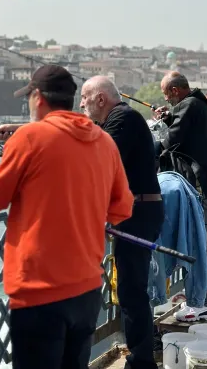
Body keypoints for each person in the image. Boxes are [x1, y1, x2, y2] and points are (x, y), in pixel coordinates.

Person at [0, 65, 134, 369]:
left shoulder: (30, 138)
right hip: (87, 290)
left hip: (39, 293)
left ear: (37, 98)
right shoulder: (104, 142)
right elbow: (121, 209)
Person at [80, 76, 163, 369]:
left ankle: (142, 360)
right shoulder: (118, 120)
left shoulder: (123, 118)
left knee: (132, 289)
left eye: (85, 99)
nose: (81, 105)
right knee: (132, 287)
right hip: (135, 212)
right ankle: (144, 346)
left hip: (139, 213)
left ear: (100, 99)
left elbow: (96, 160)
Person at [155, 72, 207, 319]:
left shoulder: (188, 105)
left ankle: (205, 300)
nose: (166, 98)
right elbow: (188, 136)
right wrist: (168, 119)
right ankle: (204, 295)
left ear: (175, 90)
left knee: (203, 242)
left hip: (203, 183)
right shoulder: (196, 105)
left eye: (167, 94)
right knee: (205, 239)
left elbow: (170, 142)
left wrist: (151, 146)